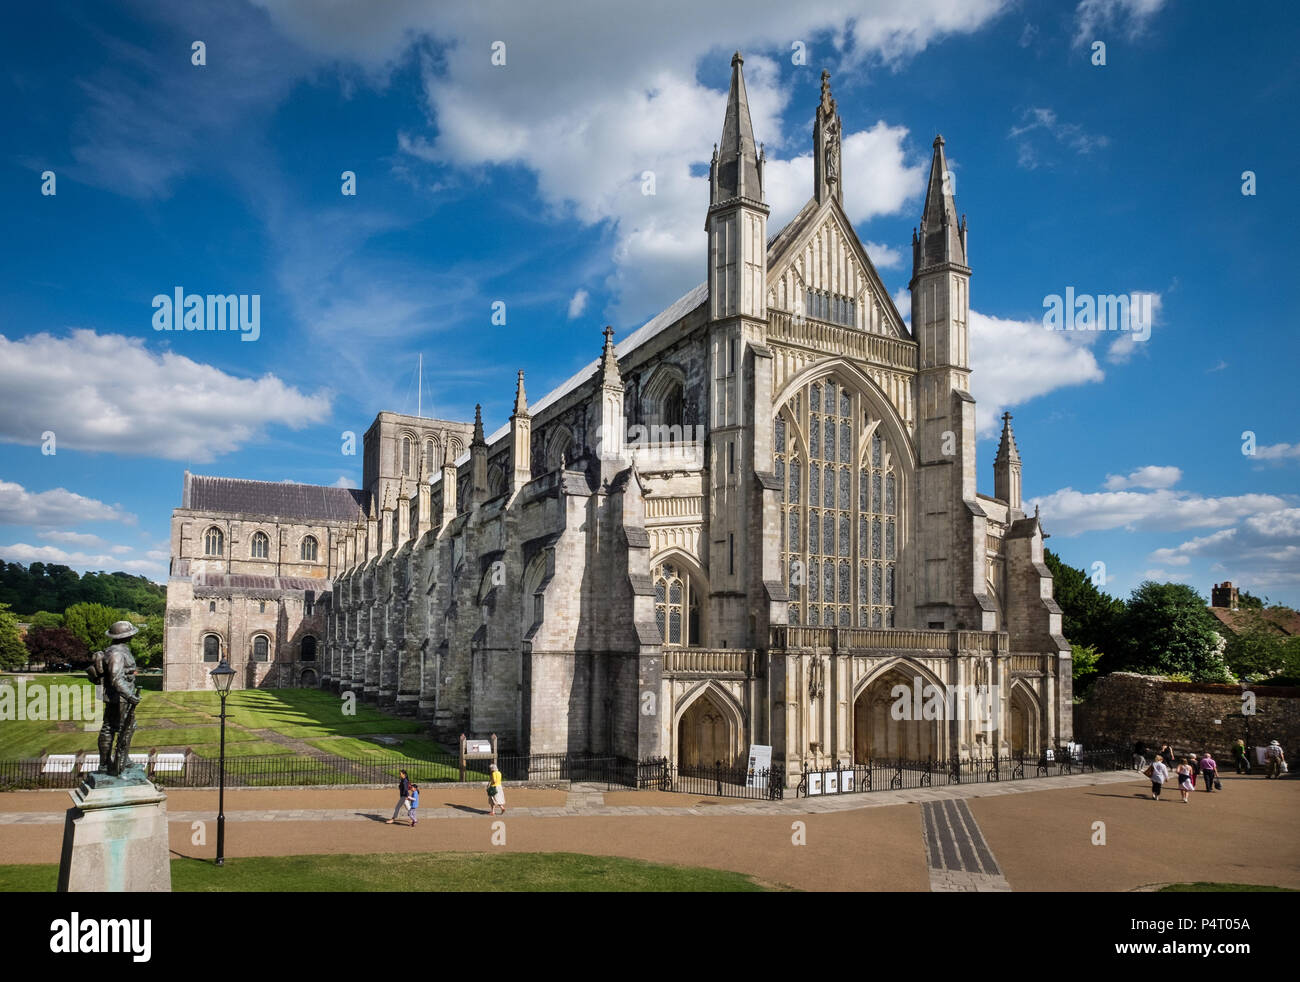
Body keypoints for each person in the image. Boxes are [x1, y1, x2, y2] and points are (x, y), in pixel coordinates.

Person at [88, 621, 142, 776]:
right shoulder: (118, 653)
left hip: (116, 696)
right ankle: (109, 763)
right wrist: (130, 696)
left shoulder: (113, 650)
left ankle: (118, 760)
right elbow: (115, 678)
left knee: (113, 727)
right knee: (121, 727)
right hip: (120, 697)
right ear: (126, 636)